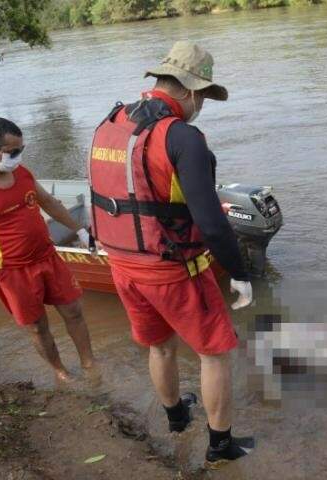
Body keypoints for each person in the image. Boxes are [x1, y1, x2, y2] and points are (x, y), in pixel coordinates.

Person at [88, 41, 254, 464]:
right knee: (214, 353)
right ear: (191, 91)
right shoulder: (183, 136)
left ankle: (177, 418)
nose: (201, 107)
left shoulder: (110, 122)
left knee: (160, 347)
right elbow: (212, 222)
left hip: (121, 263)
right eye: (202, 98)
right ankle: (221, 446)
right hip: (170, 268)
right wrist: (239, 272)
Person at [0, 117, 97, 383]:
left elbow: (49, 202)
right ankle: (60, 371)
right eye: (13, 151)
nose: (18, 156)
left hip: (48, 257)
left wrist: (81, 230)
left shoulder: (22, 173)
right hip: (12, 272)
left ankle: (90, 365)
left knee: (74, 311)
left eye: (21, 149)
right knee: (38, 327)